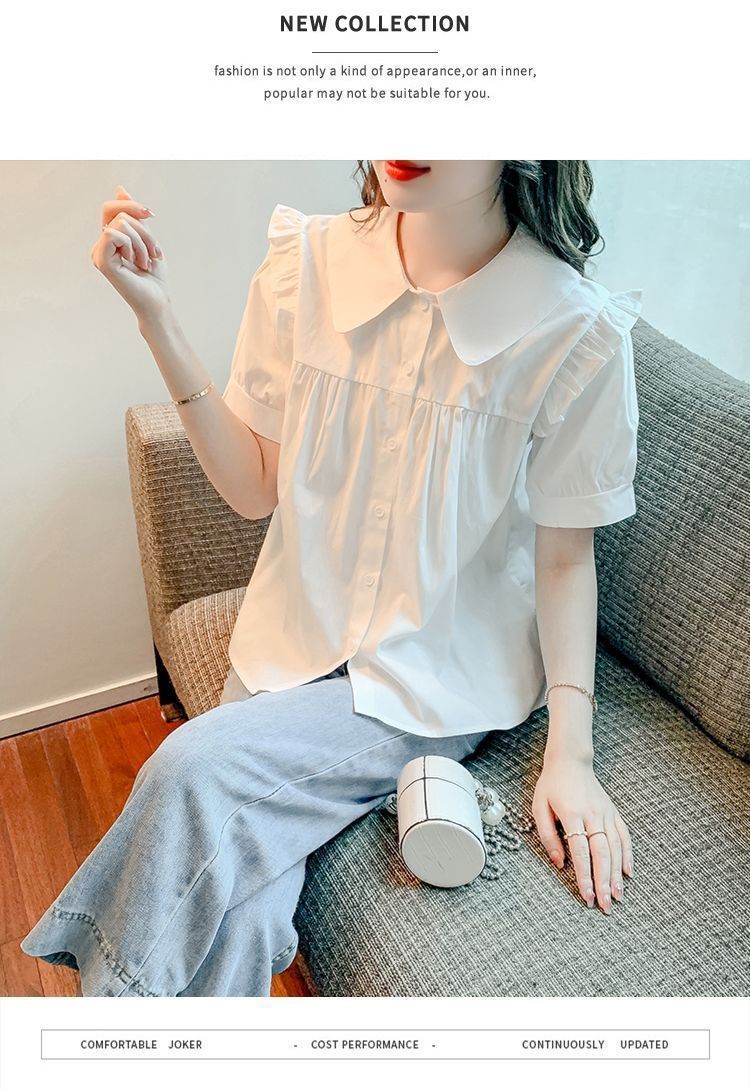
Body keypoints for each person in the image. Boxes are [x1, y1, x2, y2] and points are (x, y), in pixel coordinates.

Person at [20, 160, 639, 997]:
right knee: (238, 912)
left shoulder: (574, 332)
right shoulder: (305, 264)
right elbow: (253, 489)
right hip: (286, 639)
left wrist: (572, 753)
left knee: (190, 770)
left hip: (433, 684)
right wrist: (156, 316)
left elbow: (566, 559)